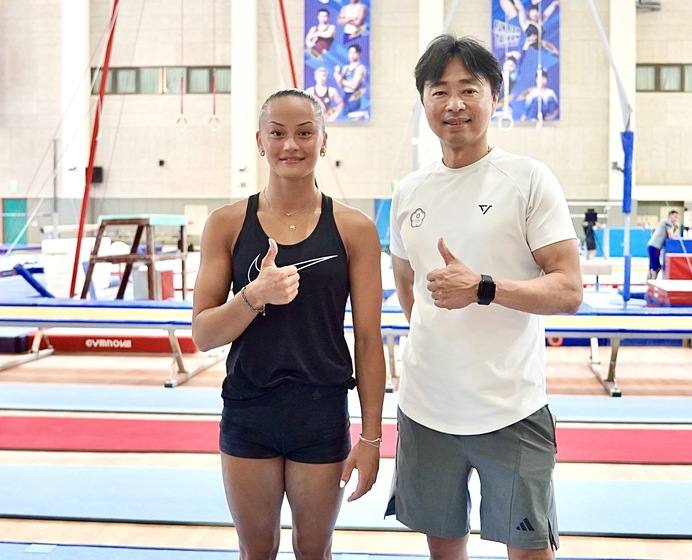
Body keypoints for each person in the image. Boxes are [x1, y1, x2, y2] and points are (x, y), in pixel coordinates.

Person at [387, 35, 582, 560]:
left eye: (468, 89)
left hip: (510, 408)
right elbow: (409, 289)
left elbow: (568, 289)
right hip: (426, 410)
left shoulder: (527, 179)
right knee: (442, 550)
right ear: (424, 101)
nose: (454, 103)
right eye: (439, 91)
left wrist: (484, 289)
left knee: (530, 551)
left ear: (495, 96)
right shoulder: (408, 191)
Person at [191, 89, 385, 560]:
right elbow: (203, 334)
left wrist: (371, 437)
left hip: (320, 411)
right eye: (277, 134)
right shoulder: (226, 224)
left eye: (304, 133)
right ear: (260, 141)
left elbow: (367, 340)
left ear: (324, 141)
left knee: (314, 550)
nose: (291, 145)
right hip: (249, 408)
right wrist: (254, 295)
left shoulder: (355, 229)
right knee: (255, 549)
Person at [334, 45, 368, 119]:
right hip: (345, 96)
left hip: (356, 96)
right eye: (350, 53)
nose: (351, 55)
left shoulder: (360, 68)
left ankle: (363, 115)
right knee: (344, 117)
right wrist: (337, 74)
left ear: (358, 54)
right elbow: (340, 86)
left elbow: (354, 85)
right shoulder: (345, 68)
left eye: (354, 53)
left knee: (353, 119)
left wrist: (340, 79)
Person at [647, 210, 680, 279]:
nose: (676, 219)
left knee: (652, 267)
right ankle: (652, 281)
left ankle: (648, 282)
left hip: (653, 246)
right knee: (655, 267)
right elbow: (671, 236)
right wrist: (676, 228)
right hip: (655, 246)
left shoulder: (665, 222)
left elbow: (668, 234)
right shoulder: (667, 222)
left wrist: (674, 228)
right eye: (675, 217)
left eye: (677, 217)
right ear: (670, 216)